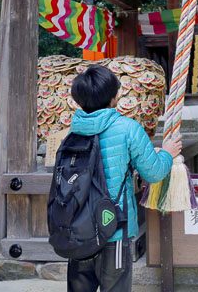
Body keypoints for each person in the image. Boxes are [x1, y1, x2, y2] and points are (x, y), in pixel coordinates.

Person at [67, 65, 181, 292]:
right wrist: (168, 153)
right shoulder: (128, 129)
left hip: (78, 229)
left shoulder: (72, 131)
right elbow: (154, 172)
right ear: (113, 96)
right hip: (113, 229)